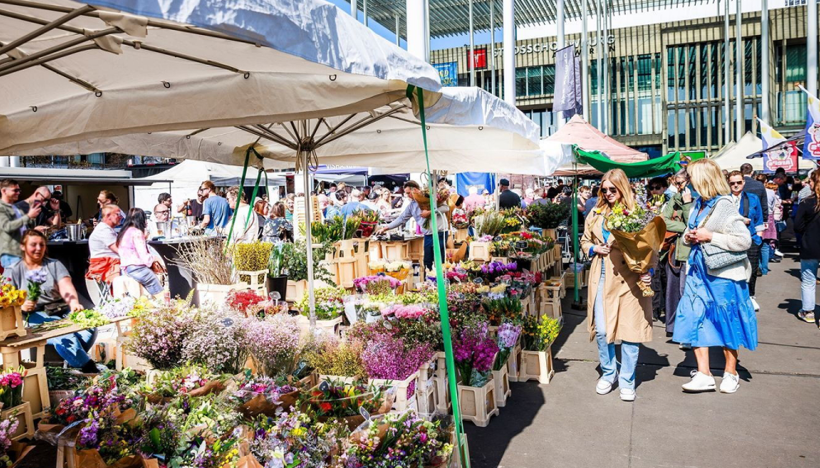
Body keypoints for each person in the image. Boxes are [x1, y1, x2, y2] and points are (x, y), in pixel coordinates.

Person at [675, 159, 757, 394]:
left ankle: (731, 372)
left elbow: (744, 241)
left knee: (727, 320)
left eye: (690, 176)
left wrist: (710, 236)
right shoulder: (697, 205)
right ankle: (704, 373)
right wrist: (688, 237)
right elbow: (689, 233)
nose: (686, 181)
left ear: (702, 179)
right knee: (694, 316)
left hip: (722, 275)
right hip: (697, 271)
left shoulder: (724, 205)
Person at [580, 169, 655, 402]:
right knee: (602, 331)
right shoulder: (596, 211)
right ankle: (609, 371)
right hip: (602, 276)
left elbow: (651, 248)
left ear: (623, 187)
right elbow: (584, 240)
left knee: (630, 334)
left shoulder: (637, 213)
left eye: (613, 189)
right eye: (604, 189)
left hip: (630, 279)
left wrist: (648, 271)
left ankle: (627, 380)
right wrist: (593, 248)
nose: (608, 193)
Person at [4, 230, 100, 373]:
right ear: (23, 246)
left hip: (62, 309)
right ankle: (90, 370)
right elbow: (5, 299)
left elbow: (66, 286)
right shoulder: (14, 270)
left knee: (90, 328)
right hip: (36, 315)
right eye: (33, 245)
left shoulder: (54, 264)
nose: (38, 248)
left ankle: (71, 361)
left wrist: (74, 303)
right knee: (66, 336)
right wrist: (21, 305)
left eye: (41, 245)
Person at [377, 181, 449, 272]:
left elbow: (446, 208)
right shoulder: (411, 206)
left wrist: (430, 212)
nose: (407, 195)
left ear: (415, 190)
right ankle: (429, 281)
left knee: (439, 260)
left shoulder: (431, 197)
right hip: (427, 235)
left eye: (408, 193)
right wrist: (385, 228)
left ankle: (441, 281)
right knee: (427, 261)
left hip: (440, 233)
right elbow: (401, 219)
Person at [661, 169, 694, 338]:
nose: (676, 186)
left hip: (689, 252)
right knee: (672, 291)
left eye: (679, 183)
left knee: (686, 292)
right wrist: (683, 229)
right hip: (674, 250)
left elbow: (694, 224)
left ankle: (686, 330)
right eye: (675, 182)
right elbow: (663, 220)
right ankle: (672, 327)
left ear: (689, 182)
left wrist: (687, 204)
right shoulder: (675, 197)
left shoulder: (694, 198)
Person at [727, 171, 765, 311]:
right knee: (733, 269)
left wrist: (759, 237)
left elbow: (759, 218)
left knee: (752, 269)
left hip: (751, 237)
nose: (736, 185)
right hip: (731, 238)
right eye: (732, 183)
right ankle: (735, 297)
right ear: (728, 184)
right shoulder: (724, 199)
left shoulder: (753, 198)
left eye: (738, 182)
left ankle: (750, 296)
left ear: (743, 182)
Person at [117, 208, 164, 297]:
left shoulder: (123, 232)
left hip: (127, 268)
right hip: (138, 268)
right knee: (158, 291)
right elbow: (145, 257)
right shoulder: (137, 232)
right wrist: (155, 259)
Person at [793, 170, 820, 325]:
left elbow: (797, 225)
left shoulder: (806, 202)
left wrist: (806, 232)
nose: (808, 183)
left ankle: (808, 311)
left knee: (808, 280)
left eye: (811, 181)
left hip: (810, 245)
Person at [0, 179, 39, 268]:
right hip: (11, 253)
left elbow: (25, 226)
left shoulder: (15, 207)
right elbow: (7, 227)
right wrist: (28, 216)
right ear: (4, 191)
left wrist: (32, 217)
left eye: (19, 190)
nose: (18, 193)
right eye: (15, 190)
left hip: (22, 252)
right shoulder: (1, 208)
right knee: (14, 281)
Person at [86, 205, 123, 285]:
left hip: (111, 264)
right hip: (104, 267)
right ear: (108, 216)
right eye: (118, 214)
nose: (121, 217)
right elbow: (119, 250)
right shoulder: (104, 229)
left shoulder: (108, 229)